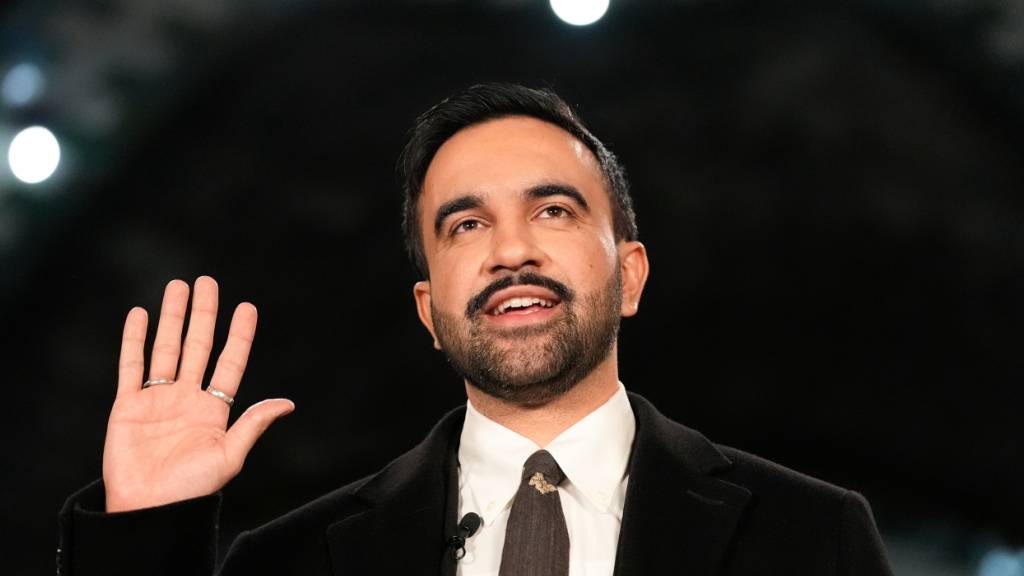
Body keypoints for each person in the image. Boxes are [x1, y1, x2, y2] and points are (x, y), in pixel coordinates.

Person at [57, 83, 894, 576]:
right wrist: (143, 534)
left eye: (554, 211)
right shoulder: (292, 564)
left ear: (629, 275)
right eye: (464, 226)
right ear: (429, 310)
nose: (512, 251)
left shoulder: (812, 538)